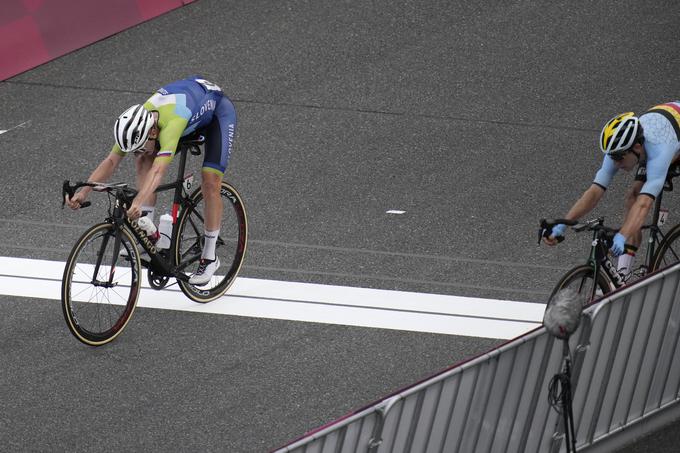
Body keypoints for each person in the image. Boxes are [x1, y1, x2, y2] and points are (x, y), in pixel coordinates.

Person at [64, 76, 237, 286]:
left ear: (153, 131)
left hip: (216, 112)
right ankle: (152, 234)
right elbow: (111, 161)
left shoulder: (172, 124)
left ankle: (209, 257)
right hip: (185, 107)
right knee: (143, 157)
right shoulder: (136, 124)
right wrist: (83, 193)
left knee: (210, 181)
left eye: (140, 144)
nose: (136, 150)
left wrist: (137, 201)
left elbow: (158, 171)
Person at [544, 101, 680, 279]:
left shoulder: (659, 153)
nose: (615, 163)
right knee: (633, 195)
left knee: (644, 196)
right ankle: (623, 274)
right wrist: (563, 224)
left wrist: (623, 235)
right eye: (612, 157)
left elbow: (645, 205)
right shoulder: (620, 147)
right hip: (664, 125)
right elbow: (594, 192)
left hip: (670, 142)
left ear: (637, 148)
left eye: (619, 158)